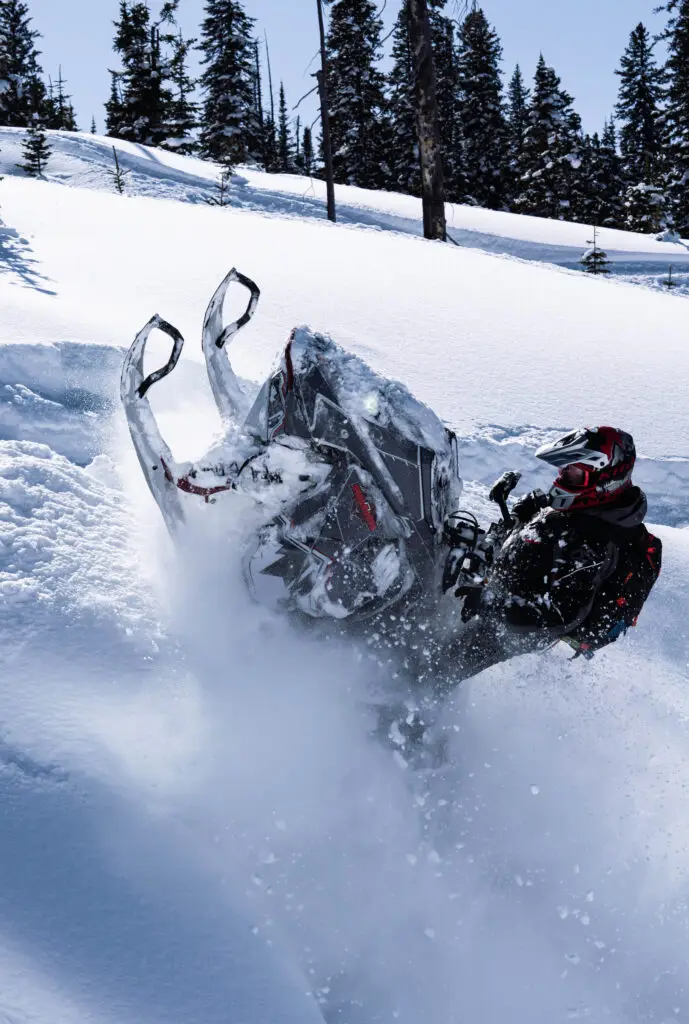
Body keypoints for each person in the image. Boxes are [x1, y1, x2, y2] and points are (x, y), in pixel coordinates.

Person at [441, 426, 662, 687]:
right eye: (563, 470)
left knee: (430, 672)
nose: (563, 477)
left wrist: (493, 603)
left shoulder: (596, 543)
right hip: (502, 592)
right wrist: (528, 514)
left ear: (607, 479)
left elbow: (559, 618)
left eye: (574, 473)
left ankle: (407, 720)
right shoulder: (591, 510)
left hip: (510, 634)